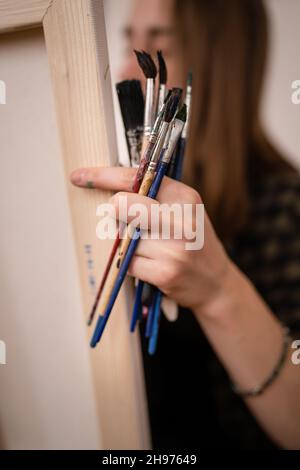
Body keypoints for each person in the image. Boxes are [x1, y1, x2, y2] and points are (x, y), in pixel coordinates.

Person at [70, 0, 300, 449]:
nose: (125, 69)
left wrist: (218, 290)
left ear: (222, 62)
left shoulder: (286, 208)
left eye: (158, 44)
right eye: (128, 44)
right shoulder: (125, 201)